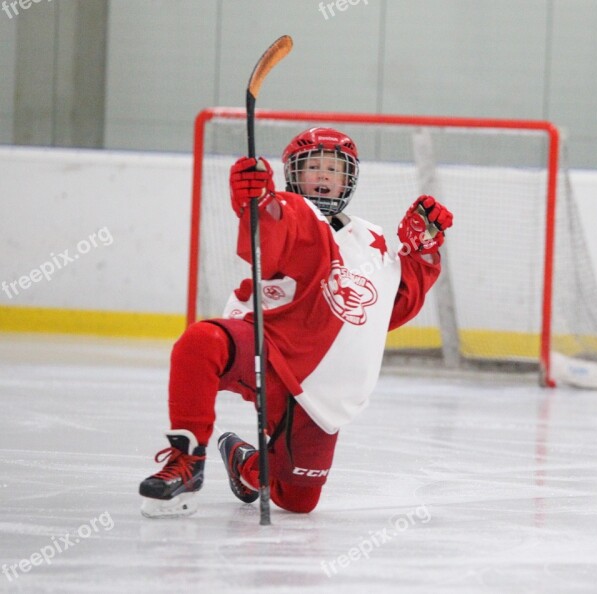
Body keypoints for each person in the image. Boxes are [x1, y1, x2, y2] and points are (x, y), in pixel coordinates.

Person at [139, 127, 453, 518]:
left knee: (297, 499)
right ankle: (186, 462)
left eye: (333, 169)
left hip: (323, 391)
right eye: (313, 167)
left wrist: (420, 256)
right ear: (294, 175)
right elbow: (269, 242)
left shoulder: (371, 239)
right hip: (270, 354)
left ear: (349, 178)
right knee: (201, 341)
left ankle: (245, 464)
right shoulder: (292, 212)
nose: (323, 176)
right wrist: (256, 203)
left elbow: (388, 310)